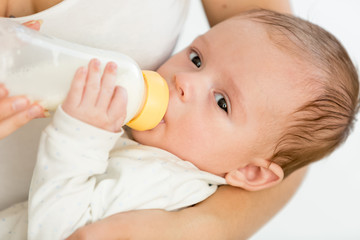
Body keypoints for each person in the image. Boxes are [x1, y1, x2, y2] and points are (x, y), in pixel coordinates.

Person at [1, 9, 359, 239]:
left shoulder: (162, 189)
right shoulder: (157, 159)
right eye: (197, 58)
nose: (186, 81)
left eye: (222, 102)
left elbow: (54, 232)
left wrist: (78, 137)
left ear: (250, 172)